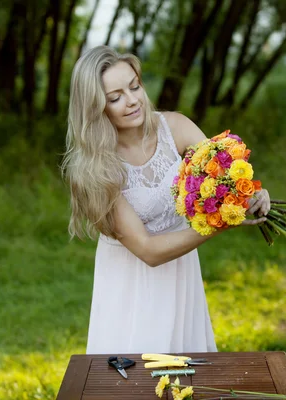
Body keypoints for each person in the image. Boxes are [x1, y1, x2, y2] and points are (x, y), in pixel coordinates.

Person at [62, 45, 271, 354]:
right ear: (94, 108)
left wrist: (249, 193)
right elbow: (147, 250)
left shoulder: (174, 127)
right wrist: (219, 224)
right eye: (115, 97)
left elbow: (223, 175)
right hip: (132, 279)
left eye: (134, 86)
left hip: (181, 269)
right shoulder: (97, 168)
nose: (132, 100)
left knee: (187, 370)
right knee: (136, 375)